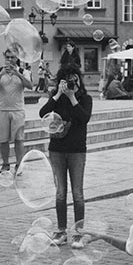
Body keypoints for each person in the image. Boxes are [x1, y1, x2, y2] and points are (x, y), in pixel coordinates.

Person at [39, 64, 93, 249]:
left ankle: (78, 232)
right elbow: (42, 113)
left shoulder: (86, 99)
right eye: (67, 79)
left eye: (74, 78)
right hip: (57, 150)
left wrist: (72, 98)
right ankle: (61, 231)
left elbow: (84, 118)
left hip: (77, 150)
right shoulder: (57, 99)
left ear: (79, 79)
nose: (71, 82)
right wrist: (57, 95)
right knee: (60, 193)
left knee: (77, 193)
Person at [0, 49, 33, 174]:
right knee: (3, 139)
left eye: (12, 57)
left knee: (19, 139)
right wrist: (0, 74)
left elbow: (30, 86)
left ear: (17, 58)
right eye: (7, 57)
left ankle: (19, 164)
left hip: (17, 109)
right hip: (2, 109)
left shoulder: (23, 71)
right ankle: (5, 164)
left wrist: (17, 74)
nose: (9, 60)